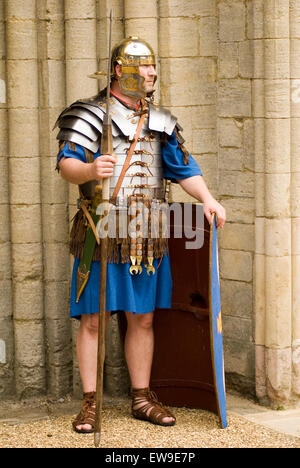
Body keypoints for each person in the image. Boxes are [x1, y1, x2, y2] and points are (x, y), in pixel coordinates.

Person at [55, 36, 226, 434]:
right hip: (100, 230)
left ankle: (141, 397)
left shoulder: (161, 121)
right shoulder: (89, 114)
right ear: (119, 70)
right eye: (143, 66)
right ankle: (90, 404)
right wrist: (89, 170)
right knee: (93, 320)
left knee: (143, 318)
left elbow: (184, 168)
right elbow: (66, 165)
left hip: (146, 234)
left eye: (153, 67)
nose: (151, 73)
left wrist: (208, 200)